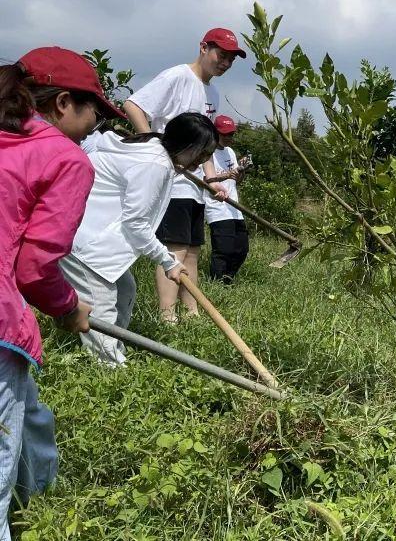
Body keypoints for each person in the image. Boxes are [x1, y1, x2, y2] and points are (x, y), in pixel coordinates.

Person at [0, 46, 123, 538]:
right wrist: (69, 308)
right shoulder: (63, 158)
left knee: (28, 416)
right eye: (95, 110)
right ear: (64, 103)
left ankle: (43, 500)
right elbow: (34, 268)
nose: (97, 123)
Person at [60, 113, 219, 366]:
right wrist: (168, 261)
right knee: (101, 307)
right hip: (85, 242)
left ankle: (111, 349)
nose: (203, 161)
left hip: (96, 235)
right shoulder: (153, 163)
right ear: (186, 146)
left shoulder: (157, 152)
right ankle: (109, 367)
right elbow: (135, 224)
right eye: (202, 153)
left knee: (125, 290)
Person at [121, 28, 246, 322]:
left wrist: (212, 180)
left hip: (193, 186)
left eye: (230, 59)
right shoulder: (177, 76)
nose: (225, 63)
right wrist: (155, 146)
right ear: (203, 48)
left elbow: (207, 144)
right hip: (172, 182)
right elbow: (133, 105)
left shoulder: (212, 91)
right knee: (173, 248)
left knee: (192, 251)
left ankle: (191, 314)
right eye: (221, 55)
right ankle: (167, 316)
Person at [204, 115, 250, 284]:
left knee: (241, 249)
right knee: (223, 249)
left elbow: (236, 180)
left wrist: (241, 170)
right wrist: (225, 175)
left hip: (234, 207)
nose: (229, 138)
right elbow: (205, 179)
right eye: (225, 134)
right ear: (215, 133)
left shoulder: (230, 152)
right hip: (217, 206)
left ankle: (228, 279)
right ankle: (216, 282)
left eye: (231, 134)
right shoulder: (207, 152)